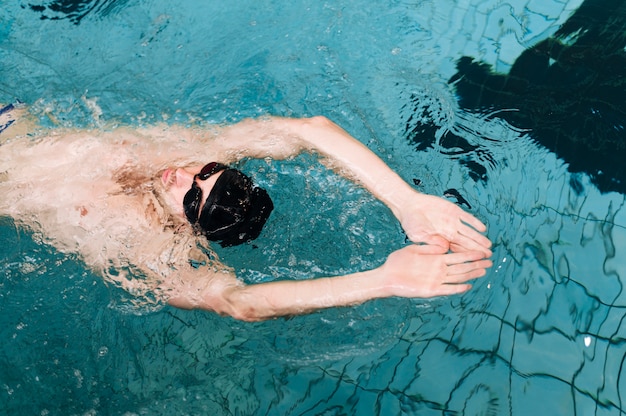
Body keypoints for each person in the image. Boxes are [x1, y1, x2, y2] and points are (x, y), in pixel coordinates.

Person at [0, 103, 492, 321]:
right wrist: (405, 200)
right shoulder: (184, 153)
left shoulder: (150, 251)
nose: (181, 177)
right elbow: (308, 130)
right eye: (206, 172)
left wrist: (383, 281)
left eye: (193, 198)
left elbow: (238, 302)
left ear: (188, 228)